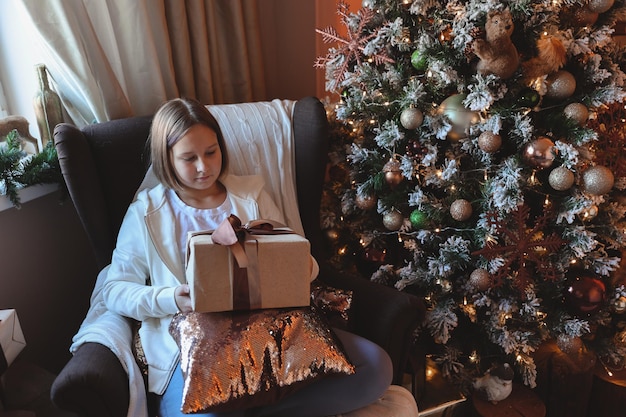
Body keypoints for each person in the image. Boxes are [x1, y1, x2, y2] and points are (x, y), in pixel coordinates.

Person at [100, 97, 393, 417]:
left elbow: (304, 262)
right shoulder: (146, 212)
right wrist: (173, 297)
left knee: (375, 368)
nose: (203, 167)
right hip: (193, 349)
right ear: (166, 159)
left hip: (269, 333)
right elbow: (114, 290)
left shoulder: (251, 194)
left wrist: (285, 261)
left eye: (211, 152)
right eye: (189, 158)